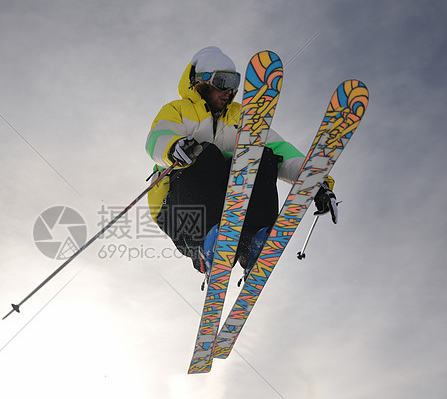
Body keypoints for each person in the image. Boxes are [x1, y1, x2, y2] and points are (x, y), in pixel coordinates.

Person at [144, 46, 336, 273]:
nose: (229, 91)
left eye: (234, 84)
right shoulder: (178, 109)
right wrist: (173, 146)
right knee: (205, 153)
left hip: (223, 206)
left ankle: (252, 242)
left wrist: (315, 182)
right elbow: (157, 137)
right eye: (223, 82)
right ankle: (204, 245)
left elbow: (281, 151)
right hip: (177, 209)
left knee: (261, 155)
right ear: (202, 82)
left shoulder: (243, 117)